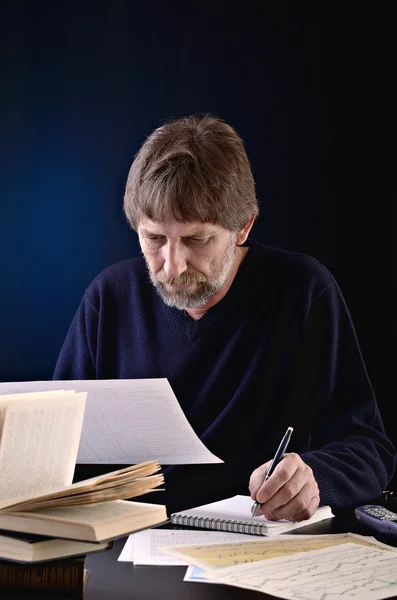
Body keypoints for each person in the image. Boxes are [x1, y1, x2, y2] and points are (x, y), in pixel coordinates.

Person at [53, 114, 396, 519]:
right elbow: (55, 445)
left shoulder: (303, 292)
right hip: (126, 545)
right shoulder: (109, 299)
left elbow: (369, 448)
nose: (173, 265)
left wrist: (315, 477)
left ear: (243, 226)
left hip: (253, 548)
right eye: (154, 239)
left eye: (197, 240)